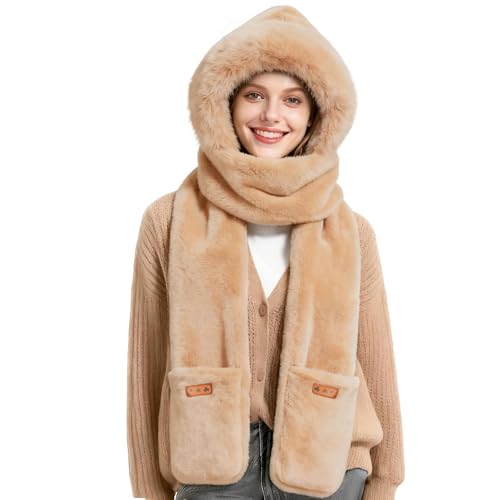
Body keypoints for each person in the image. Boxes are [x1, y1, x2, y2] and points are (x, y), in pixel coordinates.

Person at [127, 5, 405, 500]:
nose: (271, 115)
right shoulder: (167, 221)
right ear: (225, 104)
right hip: (209, 471)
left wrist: (386, 482)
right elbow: (147, 365)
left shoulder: (353, 232)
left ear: (317, 116)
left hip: (332, 471)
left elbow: (377, 362)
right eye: (254, 94)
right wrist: (149, 489)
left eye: (292, 99)